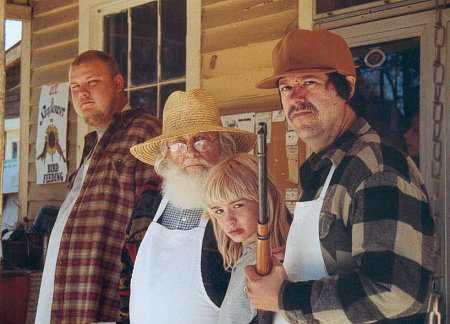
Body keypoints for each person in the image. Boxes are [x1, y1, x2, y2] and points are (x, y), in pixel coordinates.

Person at [244, 29, 435, 323]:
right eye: (286, 87)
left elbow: (395, 290)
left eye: (309, 82)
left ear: (346, 88)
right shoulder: (323, 170)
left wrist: (284, 296)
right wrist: (292, 262)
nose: (296, 98)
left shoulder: (376, 165)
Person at [35, 50, 162, 323]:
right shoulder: (93, 142)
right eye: (75, 87)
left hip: (104, 284)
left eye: (92, 82)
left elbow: (152, 217)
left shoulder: (145, 130)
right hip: (65, 283)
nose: (82, 93)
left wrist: (130, 282)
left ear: (118, 84)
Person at [126, 89, 257, 323]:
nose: (190, 152)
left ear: (223, 145)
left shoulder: (244, 194)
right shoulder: (150, 198)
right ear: (166, 153)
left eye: (201, 140)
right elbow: (127, 267)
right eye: (178, 144)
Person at [203, 153, 290, 324]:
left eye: (237, 205)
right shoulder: (245, 258)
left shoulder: (272, 262)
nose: (229, 220)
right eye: (219, 211)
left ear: (265, 200)